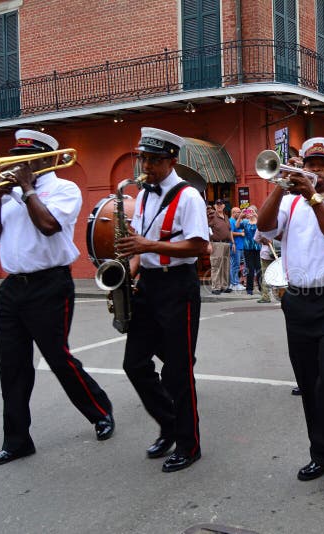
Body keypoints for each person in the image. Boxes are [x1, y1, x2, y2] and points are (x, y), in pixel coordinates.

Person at [0, 129, 115, 467]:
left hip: (50, 285)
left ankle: (100, 411)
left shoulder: (63, 189)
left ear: (49, 159)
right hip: (13, 288)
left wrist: (27, 190)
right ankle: (17, 441)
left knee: (58, 357)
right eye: (17, 157)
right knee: (11, 367)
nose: (20, 163)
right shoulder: (10, 194)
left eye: (28, 158)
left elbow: (49, 226)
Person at [258, 137, 324, 499]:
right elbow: (264, 225)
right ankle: (318, 453)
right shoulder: (290, 203)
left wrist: (311, 195)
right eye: (310, 164)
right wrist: (278, 186)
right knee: (308, 382)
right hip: (299, 301)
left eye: (323, 165)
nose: (315, 170)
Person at [115, 127, 209, 472]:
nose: (147, 166)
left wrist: (147, 247)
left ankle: (189, 444)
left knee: (178, 372)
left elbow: (199, 246)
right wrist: (127, 276)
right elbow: (139, 244)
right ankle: (169, 423)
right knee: (134, 364)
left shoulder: (189, 197)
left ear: (172, 160)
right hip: (149, 285)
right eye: (144, 158)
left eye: (154, 160)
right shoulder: (142, 196)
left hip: (178, 287)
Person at [208, 200, 233, 294]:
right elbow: (207, 229)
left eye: (221, 204)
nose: (219, 206)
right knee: (216, 265)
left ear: (224, 206)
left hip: (226, 243)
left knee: (225, 266)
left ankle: (224, 286)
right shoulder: (211, 216)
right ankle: (216, 287)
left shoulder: (226, 216)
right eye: (217, 204)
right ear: (214, 206)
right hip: (216, 243)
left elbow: (229, 230)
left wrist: (233, 243)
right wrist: (208, 243)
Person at [239, 208, 262, 295]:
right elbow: (237, 226)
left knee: (259, 268)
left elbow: (263, 225)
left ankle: (261, 288)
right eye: (249, 211)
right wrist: (240, 216)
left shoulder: (258, 221)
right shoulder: (245, 222)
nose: (250, 213)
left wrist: (257, 216)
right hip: (247, 248)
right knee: (250, 269)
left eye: (252, 211)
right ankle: (249, 289)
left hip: (257, 247)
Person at [229, 207, 246, 291]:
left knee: (237, 265)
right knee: (235, 265)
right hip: (235, 245)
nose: (240, 214)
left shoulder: (237, 221)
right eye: (238, 212)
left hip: (240, 245)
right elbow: (230, 233)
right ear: (233, 213)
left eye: (240, 212)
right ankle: (234, 283)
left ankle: (234, 283)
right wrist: (240, 234)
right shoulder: (231, 221)